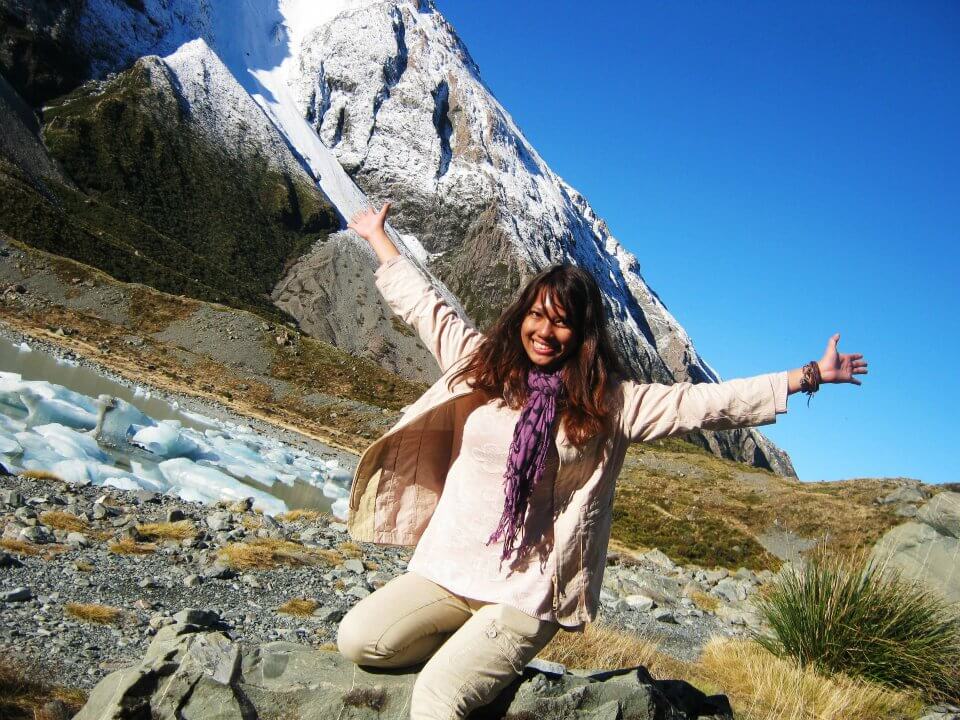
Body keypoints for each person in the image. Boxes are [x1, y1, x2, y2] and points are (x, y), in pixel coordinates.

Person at [337, 202, 867, 719]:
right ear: (522, 316)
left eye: (561, 323)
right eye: (537, 315)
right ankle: (472, 652)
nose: (545, 331)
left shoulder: (610, 403)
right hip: (447, 570)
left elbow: (704, 405)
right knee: (359, 640)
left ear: (582, 335)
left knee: (436, 696)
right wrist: (379, 240)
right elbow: (429, 310)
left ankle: (477, 657)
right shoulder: (483, 368)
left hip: (525, 592)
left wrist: (807, 376)